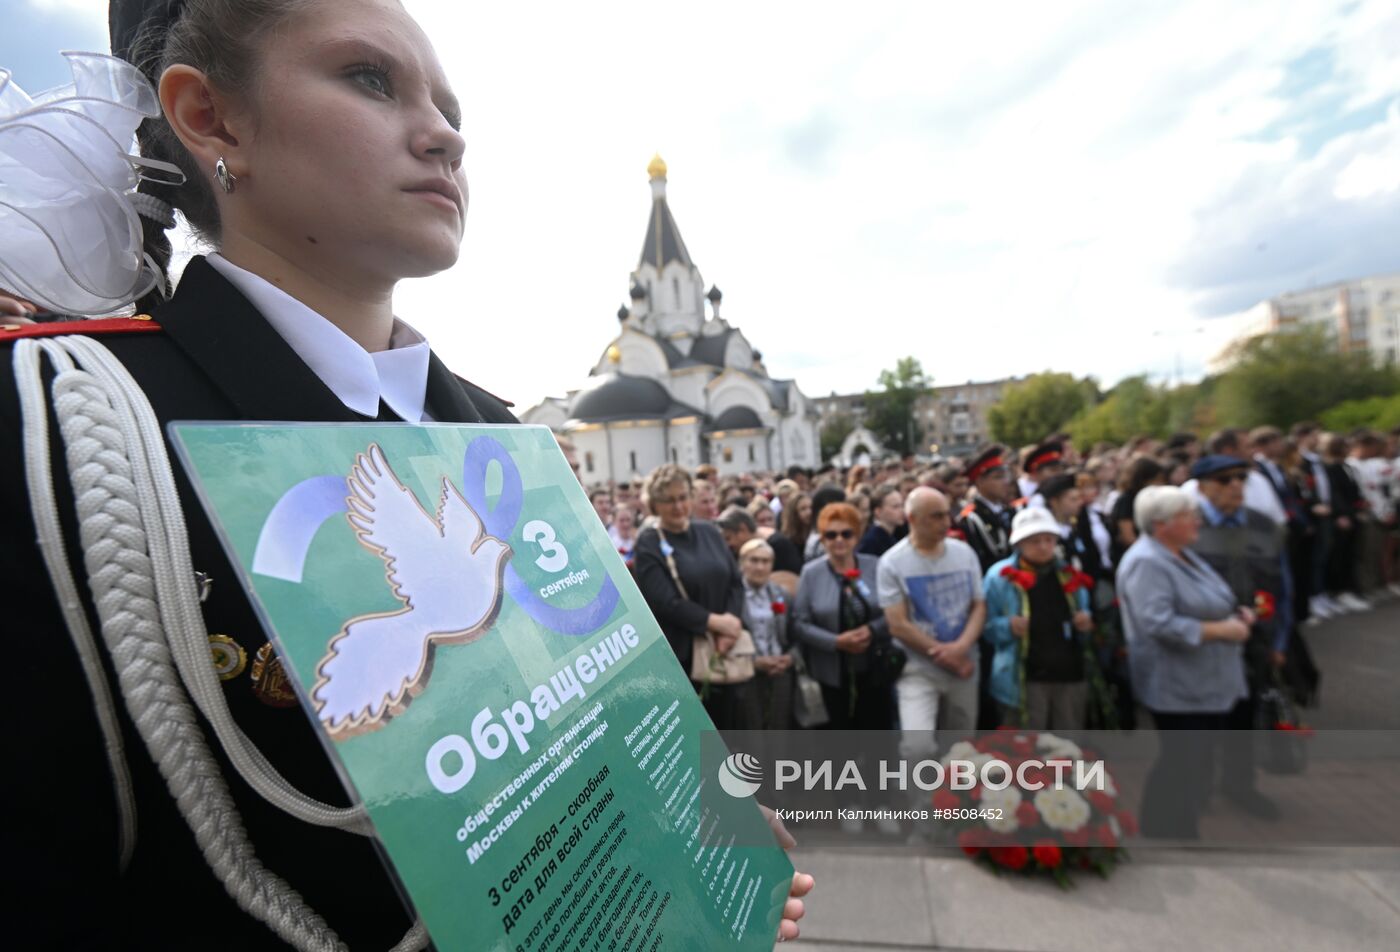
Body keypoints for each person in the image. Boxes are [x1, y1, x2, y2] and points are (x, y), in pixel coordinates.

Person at [0, 6, 818, 941]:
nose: (446, 134)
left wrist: (702, 843)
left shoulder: (499, 432)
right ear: (213, 119)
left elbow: (607, 712)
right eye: (370, 79)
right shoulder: (65, 423)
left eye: (450, 104)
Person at [1116, 486, 1255, 838]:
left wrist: (1235, 614)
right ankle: (1164, 833)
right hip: (1177, 681)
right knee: (1181, 760)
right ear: (1161, 524)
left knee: (1193, 760)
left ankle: (1177, 827)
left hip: (1202, 678)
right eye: (1187, 516)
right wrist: (1220, 630)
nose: (1197, 521)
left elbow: (1208, 597)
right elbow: (1158, 623)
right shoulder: (1148, 561)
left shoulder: (1179, 552)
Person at [1188, 454, 1291, 820]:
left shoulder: (1262, 525)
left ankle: (1239, 784)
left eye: (1240, 478)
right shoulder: (1187, 527)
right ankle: (1196, 789)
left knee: (1245, 717)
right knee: (1201, 721)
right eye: (1224, 479)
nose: (1235, 485)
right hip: (1207, 642)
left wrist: (1280, 640)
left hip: (1254, 640)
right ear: (1201, 487)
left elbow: (1283, 584)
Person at [790, 502, 900, 834]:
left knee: (879, 740)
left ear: (857, 535)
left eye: (846, 534)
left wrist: (872, 631)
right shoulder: (812, 573)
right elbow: (799, 623)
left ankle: (881, 804)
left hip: (873, 670)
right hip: (832, 672)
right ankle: (848, 803)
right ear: (822, 539)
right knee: (841, 743)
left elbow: (893, 611)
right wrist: (835, 641)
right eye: (830, 535)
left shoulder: (874, 565)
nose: (839, 541)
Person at [633, 465, 759, 731]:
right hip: (687, 659)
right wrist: (715, 622)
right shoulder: (649, 542)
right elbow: (664, 602)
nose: (678, 506)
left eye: (682, 497)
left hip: (728, 647)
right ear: (654, 503)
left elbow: (735, 582)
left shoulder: (709, 532)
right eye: (668, 500)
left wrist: (731, 624)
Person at [878, 488, 985, 763]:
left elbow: (978, 605)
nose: (946, 522)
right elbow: (898, 624)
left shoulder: (964, 553)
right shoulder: (893, 562)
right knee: (918, 748)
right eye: (935, 516)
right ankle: (921, 805)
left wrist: (960, 648)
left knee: (962, 748)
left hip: (964, 662)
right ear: (912, 519)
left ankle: (958, 803)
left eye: (946, 514)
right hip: (918, 668)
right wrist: (944, 654)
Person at [982, 508, 1093, 729]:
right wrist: (1007, 627)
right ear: (1019, 543)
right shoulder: (999, 577)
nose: (1043, 546)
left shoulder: (1069, 574)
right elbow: (985, 627)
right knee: (1025, 750)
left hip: (1068, 672)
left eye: (1048, 540)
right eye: (1034, 541)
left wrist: (1085, 622)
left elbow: (1086, 613)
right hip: (1022, 678)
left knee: (1067, 748)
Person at [738, 539, 797, 731]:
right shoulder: (734, 596)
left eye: (765, 561)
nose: (760, 567)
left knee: (779, 729)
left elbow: (795, 633)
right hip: (747, 673)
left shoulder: (781, 594)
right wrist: (754, 662)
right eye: (753, 560)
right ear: (742, 563)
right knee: (752, 730)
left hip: (780, 671)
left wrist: (790, 658)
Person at [1109, 456, 1167, 568]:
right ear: (1144, 480)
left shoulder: (1148, 499)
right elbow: (1128, 537)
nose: (1160, 484)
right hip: (1134, 560)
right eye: (1157, 480)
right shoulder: (1126, 500)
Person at [857, 483, 906, 558]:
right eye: (895, 507)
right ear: (878, 511)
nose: (902, 510)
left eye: (902, 505)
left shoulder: (892, 534)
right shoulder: (871, 541)